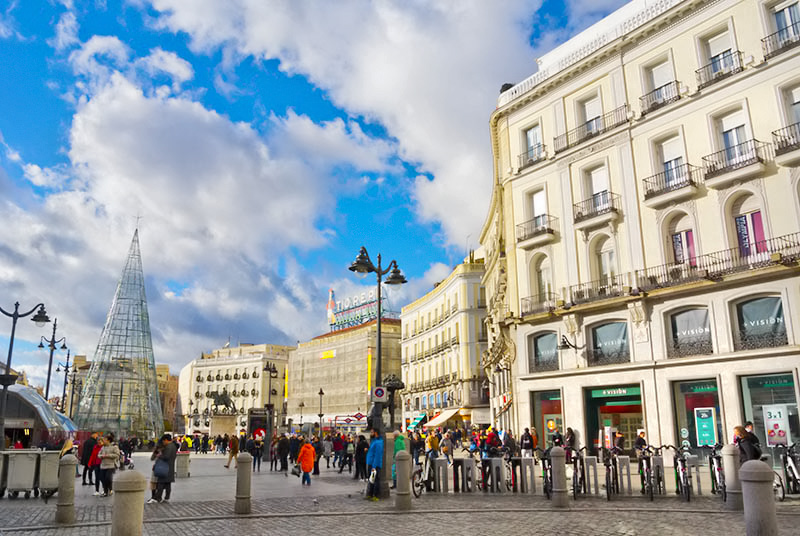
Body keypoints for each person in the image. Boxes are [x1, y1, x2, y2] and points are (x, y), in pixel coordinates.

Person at [148, 433, 177, 504]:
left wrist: (159, 455)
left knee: (161, 483)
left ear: (166, 440)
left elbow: (166, 457)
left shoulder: (168, 447)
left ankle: (157, 498)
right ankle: (167, 497)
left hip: (165, 468)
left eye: (164, 441)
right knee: (167, 484)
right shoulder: (173, 446)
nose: (163, 443)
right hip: (170, 467)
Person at [364, 429, 384, 501]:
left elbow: (377, 455)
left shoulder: (378, 442)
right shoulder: (374, 441)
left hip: (374, 465)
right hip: (371, 463)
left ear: (375, 433)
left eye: (372, 432)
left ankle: (375, 495)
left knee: (375, 480)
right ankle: (370, 494)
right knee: (371, 480)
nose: (370, 433)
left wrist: (374, 466)